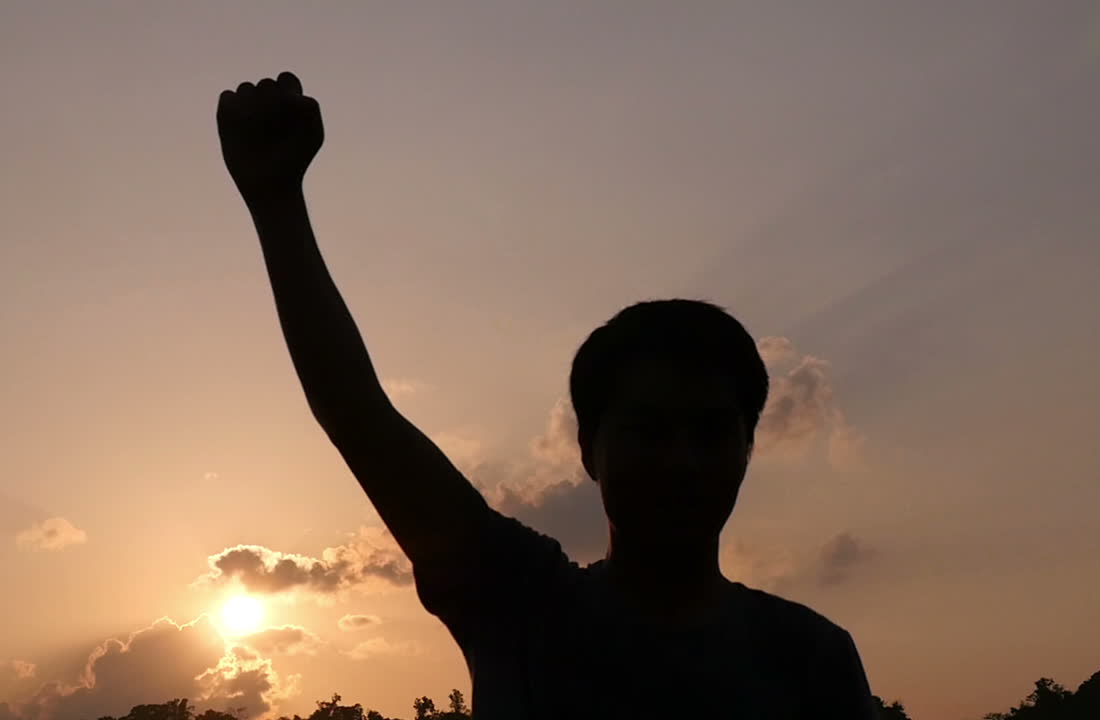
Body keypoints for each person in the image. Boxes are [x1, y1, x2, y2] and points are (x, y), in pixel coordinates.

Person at [217, 71, 875, 719]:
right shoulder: (518, 600)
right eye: (649, 431)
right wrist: (278, 208)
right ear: (588, 448)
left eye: (708, 434)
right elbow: (358, 415)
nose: (681, 461)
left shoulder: (810, 659)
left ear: (747, 447)